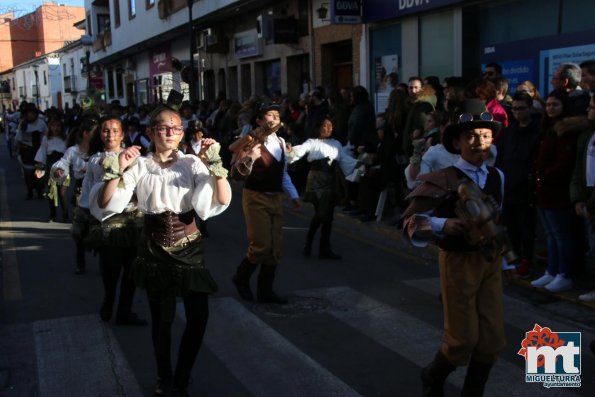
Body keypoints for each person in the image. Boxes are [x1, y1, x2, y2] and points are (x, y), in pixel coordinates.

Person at [91, 105, 231, 396]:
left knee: (198, 317)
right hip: (154, 250)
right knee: (161, 321)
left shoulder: (192, 163)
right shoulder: (140, 165)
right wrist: (118, 167)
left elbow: (219, 200)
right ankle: (164, 376)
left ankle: (182, 375)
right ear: (150, 132)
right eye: (164, 128)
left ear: (182, 133)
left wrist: (215, 166)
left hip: (189, 249)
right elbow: (106, 202)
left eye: (176, 128)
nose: (170, 132)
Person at [402, 99, 506, 396]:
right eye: (471, 136)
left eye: (485, 136)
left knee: (492, 340)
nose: (479, 142)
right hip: (458, 261)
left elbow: (500, 219)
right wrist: (442, 225)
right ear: (458, 141)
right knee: (462, 339)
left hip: (490, 262)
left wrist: (506, 260)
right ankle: (432, 376)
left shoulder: (498, 177)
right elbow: (409, 224)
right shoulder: (444, 178)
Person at [230, 104, 300, 304]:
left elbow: (282, 172)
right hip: (255, 197)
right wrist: (250, 153)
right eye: (269, 115)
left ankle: (265, 291)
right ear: (259, 121)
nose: (274, 118)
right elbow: (237, 167)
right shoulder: (252, 141)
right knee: (261, 245)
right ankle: (240, 278)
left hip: (275, 198)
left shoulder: (281, 142)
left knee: (275, 249)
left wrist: (294, 195)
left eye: (277, 115)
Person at [83, 116, 147, 326]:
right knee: (110, 269)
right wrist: (86, 217)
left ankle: (125, 310)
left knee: (132, 271)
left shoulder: (136, 157)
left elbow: (143, 185)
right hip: (108, 222)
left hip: (133, 221)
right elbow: (90, 190)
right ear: (100, 134)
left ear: (122, 134)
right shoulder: (95, 160)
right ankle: (109, 299)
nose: (110, 134)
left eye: (114, 130)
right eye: (105, 130)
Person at [530, 89, 589, 293]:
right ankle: (552, 271)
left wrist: (543, 175)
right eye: (548, 104)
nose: (550, 108)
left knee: (562, 235)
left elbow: (564, 164)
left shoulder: (567, 131)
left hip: (558, 192)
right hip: (543, 191)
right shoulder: (547, 128)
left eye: (555, 104)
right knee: (550, 235)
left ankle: (564, 274)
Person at [287, 116, 357, 259]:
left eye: (331, 126)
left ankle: (324, 248)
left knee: (328, 216)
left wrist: (360, 163)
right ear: (318, 128)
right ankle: (309, 243)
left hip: (331, 180)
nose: (329, 128)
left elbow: (344, 160)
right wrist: (290, 151)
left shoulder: (336, 144)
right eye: (325, 125)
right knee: (321, 214)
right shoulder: (312, 142)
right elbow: (300, 150)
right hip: (317, 180)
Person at [496, 91, 541, 279]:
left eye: (521, 108)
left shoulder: (538, 131)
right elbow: (502, 155)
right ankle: (514, 259)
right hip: (509, 186)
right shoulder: (511, 130)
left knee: (526, 228)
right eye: (514, 108)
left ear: (530, 108)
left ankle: (526, 260)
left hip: (526, 188)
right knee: (511, 227)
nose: (517, 112)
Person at [51, 114, 99, 274]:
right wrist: (59, 173)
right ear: (86, 133)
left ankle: (104, 261)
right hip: (81, 193)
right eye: (95, 131)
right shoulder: (73, 151)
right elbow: (62, 164)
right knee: (79, 229)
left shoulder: (100, 151)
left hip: (101, 192)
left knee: (102, 229)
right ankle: (80, 262)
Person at [571, 93, 595, 301]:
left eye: (592, 107)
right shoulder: (587, 136)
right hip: (588, 201)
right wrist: (578, 198)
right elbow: (579, 170)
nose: (589, 110)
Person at [34, 116, 68, 222]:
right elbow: (42, 152)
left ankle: (65, 214)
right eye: (53, 125)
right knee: (51, 192)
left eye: (58, 126)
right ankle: (52, 214)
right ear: (50, 127)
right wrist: (41, 167)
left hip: (63, 167)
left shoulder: (65, 139)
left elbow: (70, 153)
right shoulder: (46, 139)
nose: (56, 128)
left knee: (62, 193)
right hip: (50, 166)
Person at [15, 102, 48, 199]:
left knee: (39, 173)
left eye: (32, 112)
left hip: (38, 151)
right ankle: (30, 191)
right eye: (28, 113)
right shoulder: (23, 124)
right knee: (28, 174)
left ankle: (39, 191)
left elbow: (46, 136)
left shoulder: (41, 123)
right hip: (27, 152)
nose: (30, 115)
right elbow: (18, 138)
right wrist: (16, 147)